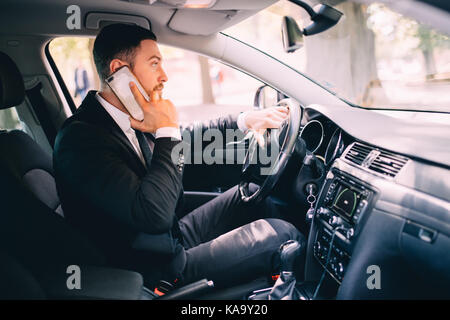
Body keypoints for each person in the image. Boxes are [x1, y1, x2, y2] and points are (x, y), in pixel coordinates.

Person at [53, 23, 304, 290]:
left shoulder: (126, 116)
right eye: (154, 64)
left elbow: (186, 140)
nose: (164, 76)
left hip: (167, 239)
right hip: (152, 269)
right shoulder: (81, 141)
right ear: (119, 71)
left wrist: (244, 120)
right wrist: (166, 130)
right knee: (283, 235)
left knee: (253, 196)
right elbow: (154, 213)